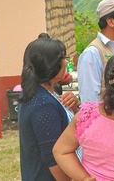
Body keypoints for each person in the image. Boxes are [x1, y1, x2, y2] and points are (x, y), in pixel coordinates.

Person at [18, 37, 79, 181]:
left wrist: (75, 108)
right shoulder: (42, 104)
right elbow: (52, 157)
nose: (66, 62)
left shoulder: (46, 92)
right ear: (52, 65)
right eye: (62, 58)